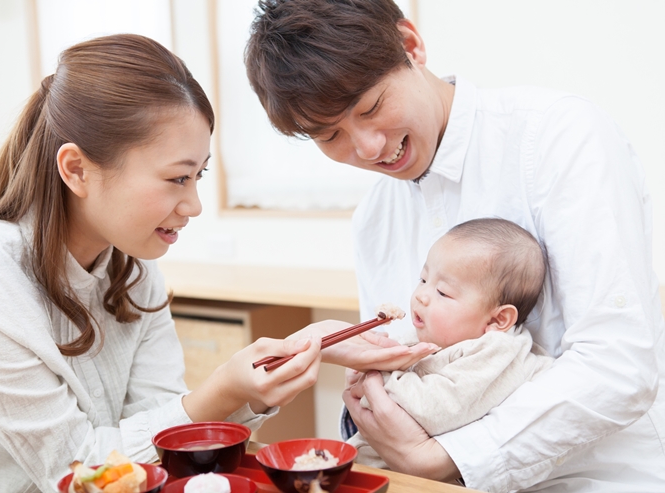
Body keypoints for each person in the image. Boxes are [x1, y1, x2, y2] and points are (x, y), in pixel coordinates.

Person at [0, 34, 434, 493]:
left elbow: (158, 445)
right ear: (76, 170)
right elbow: (80, 473)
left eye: (199, 176)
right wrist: (225, 388)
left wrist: (270, 373)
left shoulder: (133, 272)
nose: (193, 206)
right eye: (176, 179)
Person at [245, 1, 665, 491]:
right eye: (331, 135)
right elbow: (403, 377)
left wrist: (446, 457)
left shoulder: (558, 137)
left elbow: (617, 365)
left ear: (411, 46)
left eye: (371, 108)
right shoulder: (375, 218)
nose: (368, 148)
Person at [348, 218, 554, 469]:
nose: (421, 295)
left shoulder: (496, 352)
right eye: (423, 280)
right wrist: (374, 354)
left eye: (443, 292)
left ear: (498, 319)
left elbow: (433, 411)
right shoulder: (433, 335)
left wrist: (377, 377)